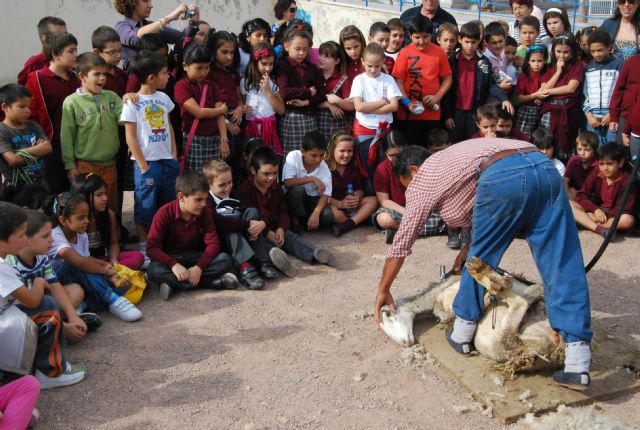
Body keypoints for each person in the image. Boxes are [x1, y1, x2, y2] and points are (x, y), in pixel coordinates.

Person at [374, 138, 594, 391]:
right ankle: (578, 361)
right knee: (562, 259)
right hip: (544, 167)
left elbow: (402, 241)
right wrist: (467, 247)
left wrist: (383, 290)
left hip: (504, 173)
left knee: (482, 258)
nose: (410, 191)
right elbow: (472, 210)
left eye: (408, 185)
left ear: (413, 170)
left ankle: (462, 332)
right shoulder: (455, 160)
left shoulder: (424, 176)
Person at [0, 202, 87, 389]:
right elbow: (32, 301)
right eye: (20, 235)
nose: (24, 240)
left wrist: (70, 317)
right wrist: (39, 283)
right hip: (8, 322)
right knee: (47, 306)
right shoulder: (4, 265)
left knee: (55, 300)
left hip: (10, 316)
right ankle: (49, 372)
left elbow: (53, 285)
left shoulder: (35, 257)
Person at [120, 50, 180, 264]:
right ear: (152, 77)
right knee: (145, 207)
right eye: (165, 73)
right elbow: (130, 137)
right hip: (147, 165)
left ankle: (164, 244)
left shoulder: (163, 98)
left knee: (169, 204)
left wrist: (173, 155)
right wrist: (144, 166)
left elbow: (169, 126)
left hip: (168, 162)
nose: (169, 76)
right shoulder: (132, 103)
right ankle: (145, 249)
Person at [237, 146, 337, 273]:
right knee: (261, 241)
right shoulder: (244, 190)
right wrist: (268, 232)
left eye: (274, 173)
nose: (271, 178)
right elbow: (250, 217)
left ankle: (316, 255)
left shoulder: (276, 188)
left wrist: (281, 228)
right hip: (258, 230)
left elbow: (283, 211)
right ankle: (279, 262)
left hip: (274, 227)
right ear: (253, 170)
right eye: (266, 174)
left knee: (291, 238)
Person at [8, 209, 98, 344]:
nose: (52, 239)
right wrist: (64, 327)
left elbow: (55, 285)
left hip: (41, 305)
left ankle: (63, 322)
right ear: (25, 239)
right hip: (20, 314)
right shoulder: (11, 264)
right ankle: (59, 328)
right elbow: (24, 306)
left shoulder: (41, 256)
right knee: (47, 306)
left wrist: (73, 317)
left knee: (76, 290)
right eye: (45, 236)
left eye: (51, 234)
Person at [49, 193, 142, 322]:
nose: (87, 221)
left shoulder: (81, 234)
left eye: (87, 217)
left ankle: (84, 305)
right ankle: (112, 299)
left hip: (78, 282)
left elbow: (86, 259)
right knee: (73, 264)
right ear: (64, 220)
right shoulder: (55, 236)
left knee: (121, 281)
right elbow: (79, 262)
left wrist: (105, 266)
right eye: (81, 218)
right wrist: (106, 272)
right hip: (58, 285)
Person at [146, 171, 240, 300]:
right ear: (181, 197)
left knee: (224, 259)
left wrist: (198, 268)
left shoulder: (205, 212)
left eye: (205, 199)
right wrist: (174, 265)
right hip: (171, 258)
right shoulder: (164, 213)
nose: (203, 204)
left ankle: (171, 283)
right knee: (153, 270)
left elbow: (213, 243)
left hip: (195, 257)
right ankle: (211, 283)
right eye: (198, 199)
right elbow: (151, 248)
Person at [61, 53, 122, 213]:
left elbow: (125, 119)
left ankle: (111, 238)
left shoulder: (112, 97)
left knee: (109, 206)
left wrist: (131, 100)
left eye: (104, 74)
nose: (102, 78)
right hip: (84, 165)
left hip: (110, 164)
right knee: (86, 207)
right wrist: (69, 165)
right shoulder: (72, 102)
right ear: (82, 76)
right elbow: (67, 135)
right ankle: (89, 239)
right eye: (97, 74)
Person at [24, 32, 80, 195]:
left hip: (78, 145)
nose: (76, 55)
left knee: (77, 191)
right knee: (55, 192)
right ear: (55, 54)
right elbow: (31, 115)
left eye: (76, 50)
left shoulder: (77, 77)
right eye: (71, 51)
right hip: (52, 146)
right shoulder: (36, 79)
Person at [443, 22, 513, 143]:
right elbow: (446, 90)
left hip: (475, 112)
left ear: (479, 41)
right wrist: (447, 115)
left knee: (473, 143)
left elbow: (491, 84)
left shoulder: (484, 61)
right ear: (460, 39)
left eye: (473, 42)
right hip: (456, 111)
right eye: (467, 42)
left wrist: (504, 99)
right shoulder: (452, 60)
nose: (470, 46)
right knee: (455, 144)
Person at [202, 159, 266, 290]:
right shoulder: (206, 201)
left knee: (252, 211)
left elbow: (252, 210)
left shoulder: (235, 194)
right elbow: (219, 222)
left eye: (230, 182)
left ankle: (261, 261)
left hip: (243, 236)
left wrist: (260, 224)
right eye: (222, 185)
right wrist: (248, 224)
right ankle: (245, 266)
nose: (227, 188)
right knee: (230, 227)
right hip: (223, 241)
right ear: (209, 184)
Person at [372, 132, 445, 244]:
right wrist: (406, 212)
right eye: (392, 155)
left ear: (406, 148)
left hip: (422, 208)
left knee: (445, 216)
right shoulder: (382, 169)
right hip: (400, 210)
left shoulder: (417, 161)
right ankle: (429, 229)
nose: (396, 158)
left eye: (399, 154)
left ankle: (403, 232)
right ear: (385, 153)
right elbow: (384, 201)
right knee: (383, 218)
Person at [392, 15, 452, 144]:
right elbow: (398, 81)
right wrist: (407, 103)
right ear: (410, 35)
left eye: (425, 37)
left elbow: (448, 79)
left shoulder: (439, 52)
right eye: (417, 37)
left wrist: (437, 97)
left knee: (428, 149)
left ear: (432, 35)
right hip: (407, 113)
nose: (421, 41)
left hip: (431, 113)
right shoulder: (404, 52)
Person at [350, 43, 402, 185]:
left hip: (384, 130)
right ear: (363, 62)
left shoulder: (388, 79)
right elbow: (359, 106)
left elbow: (394, 106)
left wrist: (369, 108)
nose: (373, 70)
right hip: (364, 129)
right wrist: (382, 102)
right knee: (366, 169)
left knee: (386, 168)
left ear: (383, 63)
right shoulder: (359, 80)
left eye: (377, 66)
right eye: (369, 66)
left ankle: (383, 197)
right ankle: (370, 196)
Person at [70, 173, 144, 270]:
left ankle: (108, 275)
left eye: (105, 194)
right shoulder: (74, 220)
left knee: (137, 257)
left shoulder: (109, 214)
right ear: (84, 196)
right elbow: (74, 256)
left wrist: (114, 262)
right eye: (99, 195)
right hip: (84, 261)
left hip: (104, 259)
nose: (105, 198)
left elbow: (113, 243)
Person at [174, 43, 228, 173]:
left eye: (207, 67)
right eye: (199, 68)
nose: (204, 72)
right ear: (185, 66)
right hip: (194, 141)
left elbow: (220, 117)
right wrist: (220, 110)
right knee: (197, 182)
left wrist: (224, 140)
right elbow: (199, 112)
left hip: (215, 139)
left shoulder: (212, 85)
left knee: (215, 179)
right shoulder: (181, 86)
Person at [277, 25, 324, 156]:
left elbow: (321, 93)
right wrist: (308, 92)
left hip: (310, 118)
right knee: (291, 157)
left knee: (310, 155)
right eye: (297, 49)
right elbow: (285, 92)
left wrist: (307, 103)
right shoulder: (282, 66)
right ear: (286, 47)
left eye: (305, 49)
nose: (302, 53)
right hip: (291, 119)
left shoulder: (312, 69)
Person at [114, 0, 200, 71]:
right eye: (145, 1)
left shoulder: (154, 25)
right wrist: (169, 18)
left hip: (160, 81)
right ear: (131, 2)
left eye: (150, 1)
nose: (151, 5)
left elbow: (182, 39)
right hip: (137, 84)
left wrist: (193, 23)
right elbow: (137, 38)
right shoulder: (121, 27)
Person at [572, 141, 635, 237]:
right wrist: (595, 210)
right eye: (601, 164)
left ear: (620, 163)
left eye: (609, 164)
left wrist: (601, 217)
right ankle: (600, 229)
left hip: (613, 216)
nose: (605, 168)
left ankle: (589, 224)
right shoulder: (597, 173)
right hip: (597, 211)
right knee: (570, 204)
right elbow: (581, 195)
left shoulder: (627, 180)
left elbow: (625, 209)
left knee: (628, 220)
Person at [539, 32, 585, 162]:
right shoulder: (549, 67)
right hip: (550, 111)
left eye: (566, 52)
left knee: (565, 144)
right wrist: (558, 72)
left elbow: (571, 88)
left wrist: (549, 92)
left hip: (568, 110)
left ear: (572, 52)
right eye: (558, 51)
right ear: (553, 50)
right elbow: (543, 88)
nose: (562, 55)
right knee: (547, 142)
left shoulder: (577, 65)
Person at [0, 84, 52, 192]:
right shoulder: (2, 130)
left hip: (40, 182)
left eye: (29, 106)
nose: (28, 110)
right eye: (22, 106)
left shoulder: (33, 126)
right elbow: (13, 160)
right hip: (16, 187)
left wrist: (21, 152)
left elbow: (47, 147)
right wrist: (38, 151)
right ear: (5, 107)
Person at [325, 133, 378, 237]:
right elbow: (318, 194)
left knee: (373, 200)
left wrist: (357, 196)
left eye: (349, 151)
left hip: (350, 205)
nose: (346, 155)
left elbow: (360, 188)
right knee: (334, 213)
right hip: (333, 203)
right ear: (333, 150)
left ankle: (348, 224)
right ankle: (356, 222)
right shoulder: (324, 167)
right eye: (342, 151)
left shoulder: (353, 166)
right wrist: (339, 203)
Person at [282, 131, 335, 232]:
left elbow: (326, 194)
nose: (318, 159)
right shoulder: (293, 156)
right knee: (297, 191)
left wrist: (316, 213)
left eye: (321, 155)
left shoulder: (324, 167)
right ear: (303, 152)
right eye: (313, 155)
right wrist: (312, 179)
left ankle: (307, 221)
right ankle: (295, 220)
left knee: (328, 215)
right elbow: (287, 182)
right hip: (294, 199)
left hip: (312, 201)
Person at [206, 31, 244, 169]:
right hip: (218, 125)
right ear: (214, 51)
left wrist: (240, 108)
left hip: (237, 122)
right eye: (224, 52)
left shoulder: (233, 72)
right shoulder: (208, 73)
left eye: (232, 52)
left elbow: (239, 97)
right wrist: (226, 124)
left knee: (235, 165)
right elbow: (208, 104)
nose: (229, 57)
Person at [241, 42, 285, 155]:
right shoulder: (245, 82)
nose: (268, 68)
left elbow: (281, 110)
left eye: (271, 64)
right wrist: (242, 108)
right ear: (255, 62)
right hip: (252, 127)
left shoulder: (273, 82)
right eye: (264, 63)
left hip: (269, 127)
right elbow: (240, 103)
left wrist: (268, 91)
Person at [583, 29, 623, 145]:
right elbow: (585, 94)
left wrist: (612, 113)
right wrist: (589, 115)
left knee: (611, 149)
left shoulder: (618, 65)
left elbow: (621, 93)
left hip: (612, 116)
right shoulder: (588, 68)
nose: (596, 54)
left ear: (609, 47)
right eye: (593, 51)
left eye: (600, 50)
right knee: (594, 150)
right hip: (593, 119)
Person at [316, 41, 353, 142]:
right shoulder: (314, 75)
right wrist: (328, 104)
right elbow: (309, 102)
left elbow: (351, 106)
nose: (321, 58)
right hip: (316, 124)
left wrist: (337, 101)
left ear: (337, 61)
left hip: (337, 126)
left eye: (327, 56)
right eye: (321, 55)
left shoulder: (343, 79)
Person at [17, 17, 67, 85]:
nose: (65, 39)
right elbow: (21, 90)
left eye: (66, 34)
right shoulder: (34, 63)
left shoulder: (70, 60)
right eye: (58, 35)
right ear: (45, 38)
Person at [514, 45, 549, 137]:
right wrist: (536, 95)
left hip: (542, 110)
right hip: (526, 111)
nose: (536, 64)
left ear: (545, 60)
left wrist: (541, 99)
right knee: (524, 138)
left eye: (539, 61)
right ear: (528, 61)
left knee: (541, 138)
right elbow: (520, 98)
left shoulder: (547, 73)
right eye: (533, 61)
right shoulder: (524, 76)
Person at [609, 49, 640, 145]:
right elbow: (618, 90)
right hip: (626, 115)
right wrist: (613, 116)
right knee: (621, 154)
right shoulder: (631, 62)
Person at [483, 22, 514, 105]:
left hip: (500, 103)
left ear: (505, 38)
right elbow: (482, 85)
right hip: (487, 106)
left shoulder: (504, 56)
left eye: (501, 41)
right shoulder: (484, 60)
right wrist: (499, 86)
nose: (498, 45)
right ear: (486, 42)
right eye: (494, 43)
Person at [564, 131, 599, 200]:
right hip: (573, 194)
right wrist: (569, 194)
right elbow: (565, 180)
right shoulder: (574, 160)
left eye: (587, 150)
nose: (582, 153)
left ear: (594, 150)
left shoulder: (599, 164)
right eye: (579, 149)